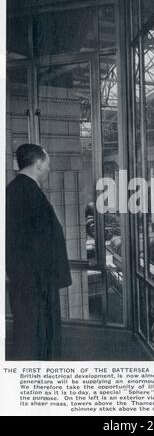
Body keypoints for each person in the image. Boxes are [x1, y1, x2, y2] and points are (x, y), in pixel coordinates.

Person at [6, 144, 72, 360]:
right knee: (35, 332)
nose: (49, 170)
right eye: (48, 165)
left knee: (26, 329)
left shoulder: (14, 190)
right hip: (37, 280)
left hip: (24, 277)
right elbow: (40, 241)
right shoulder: (30, 193)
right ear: (39, 164)